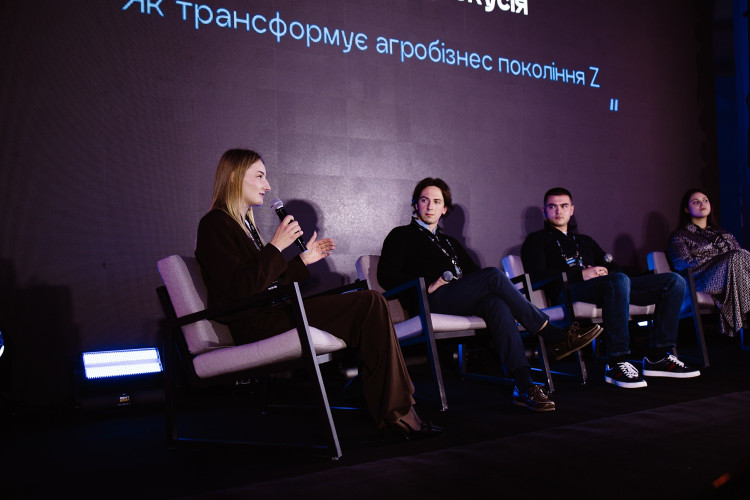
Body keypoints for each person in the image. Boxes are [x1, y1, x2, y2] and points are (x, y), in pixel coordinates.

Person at [194, 148, 440, 440]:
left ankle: (398, 407)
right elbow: (241, 290)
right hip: (255, 323)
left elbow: (264, 283)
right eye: (259, 176)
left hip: (274, 311)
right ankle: (398, 411)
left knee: (371, 302)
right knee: (369, 302)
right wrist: (276, 246)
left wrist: (302, 261)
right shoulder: (214, 224)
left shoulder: (245, 226)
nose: (267, 185)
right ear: (235, 177)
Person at [377, 178, 602, 412]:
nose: (430, 206)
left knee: (496, 304)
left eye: (436, 202)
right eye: (424, 200)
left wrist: (480, 287)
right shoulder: (401, 235)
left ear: (444, 209)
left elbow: (474, 274)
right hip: (429, 300)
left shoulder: (449, 242)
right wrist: (426, 285)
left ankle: (524, 385)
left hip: (456, 298)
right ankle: (552, 334)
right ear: (415, 205)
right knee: (493, 275)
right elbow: (386, 275)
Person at [521, 187, 700, 389]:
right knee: (618, 281)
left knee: (674, 281)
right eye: (552, 207)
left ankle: (658, 357)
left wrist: (604, 271)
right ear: (544, 211)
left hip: (608, 287)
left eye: (563, 206)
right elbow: (536, 276)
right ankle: (616, 361)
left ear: (571, 210)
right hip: (570, 291)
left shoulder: (584, 241)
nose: (558, 211)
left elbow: (614, 267)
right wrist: (580, 274)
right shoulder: (536, 240)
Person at [667, 188, 750, 336]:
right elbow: (682, 265)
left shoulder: (725, 234)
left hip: (732, 275)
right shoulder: (680, 236)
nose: (702, 204)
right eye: (696, 202)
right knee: (737, 257)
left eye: (705, 200)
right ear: (686, 209)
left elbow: (743, 260)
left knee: (741, 257)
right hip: (700, 279)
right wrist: (717, 260)